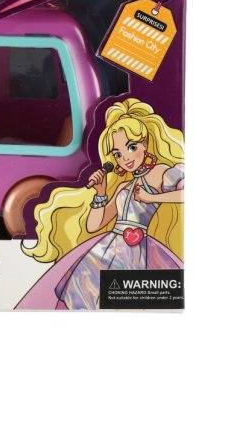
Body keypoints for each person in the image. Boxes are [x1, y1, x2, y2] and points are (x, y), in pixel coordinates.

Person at [17, 98, 184, 310]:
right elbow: (94, 225)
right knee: (90, 293)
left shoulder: (160, 172)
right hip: (110, 246)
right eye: (118, 154)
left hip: (139, 250)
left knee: (132, 299)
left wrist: (152, 198)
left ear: (145, 144)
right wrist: (101, 193)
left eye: (131, 147)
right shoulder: (123, 186)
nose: (125, 158)